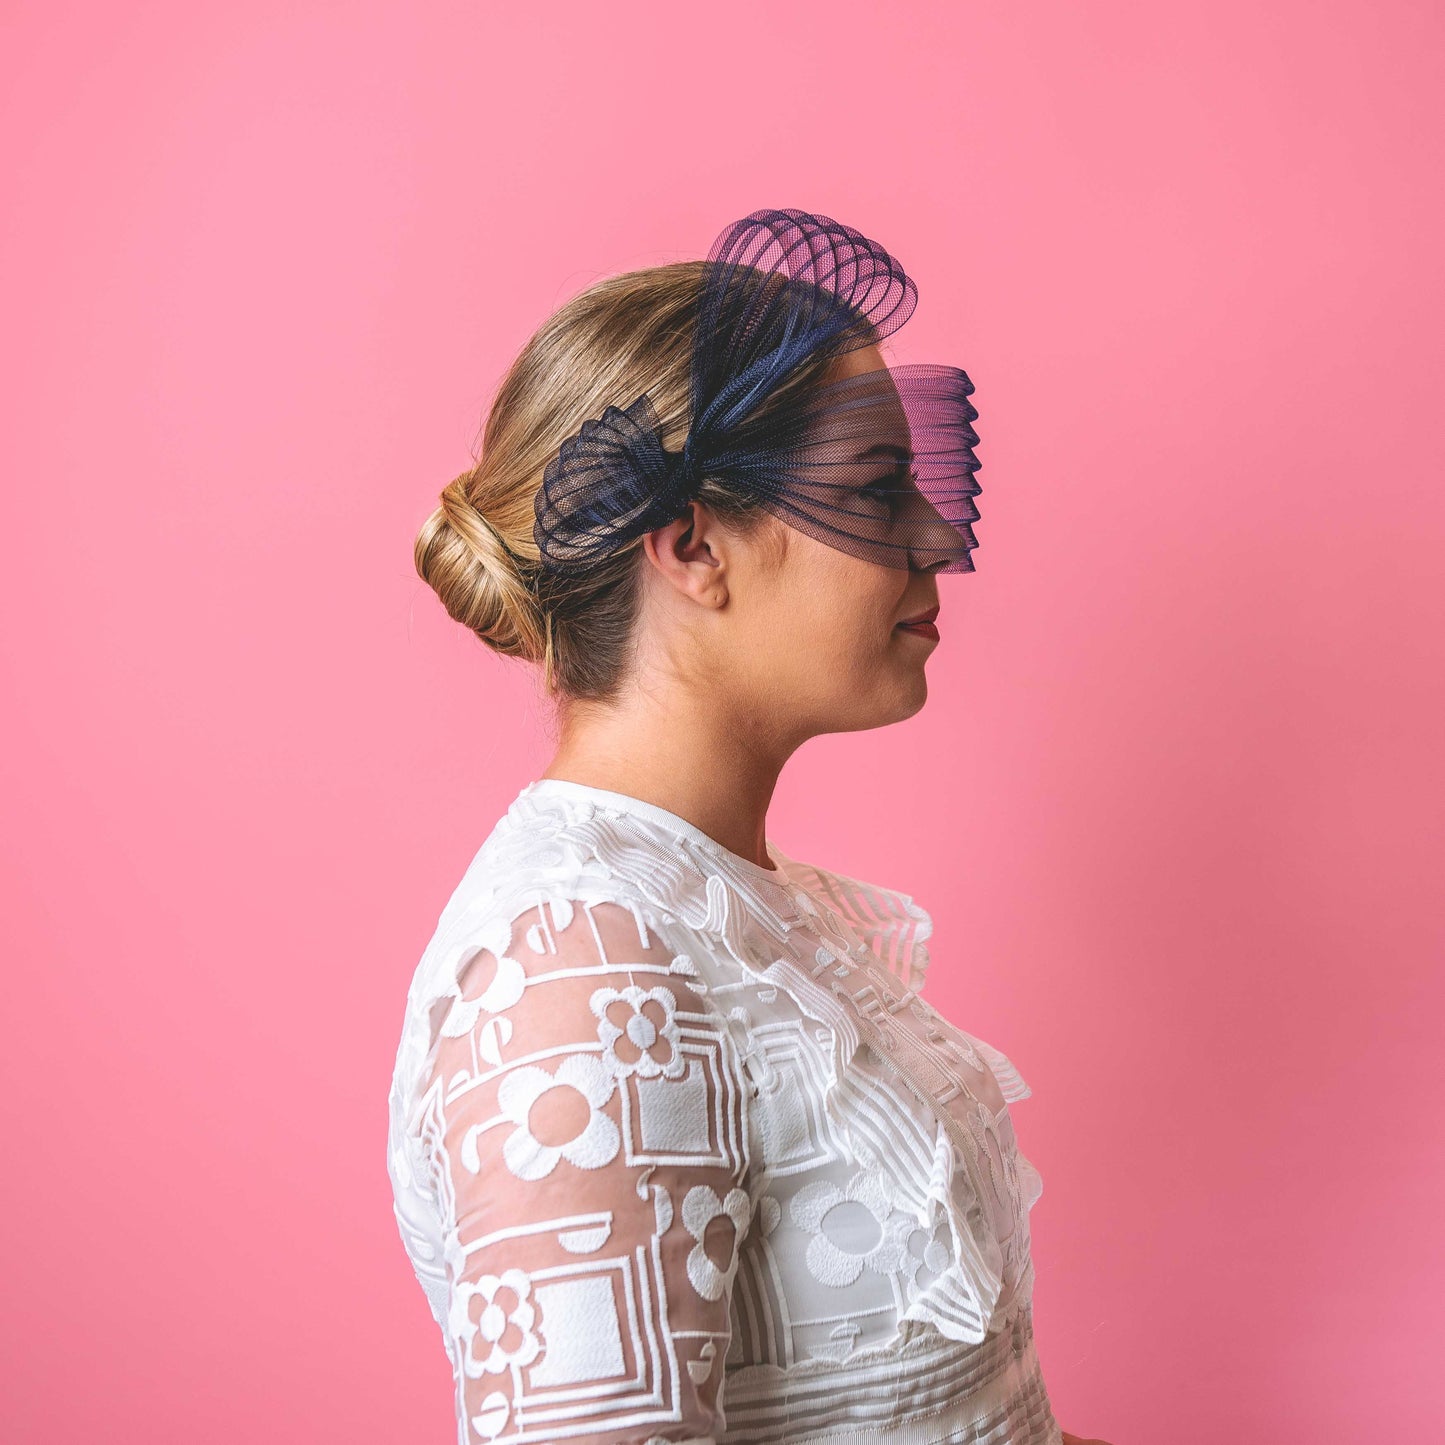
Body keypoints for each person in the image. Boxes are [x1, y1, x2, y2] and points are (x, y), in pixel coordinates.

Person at [387, 210, 1111, 1445]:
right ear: (691, 545)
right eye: (879, 489)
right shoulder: (584, 970)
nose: (938, 537)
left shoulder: (737, 912)